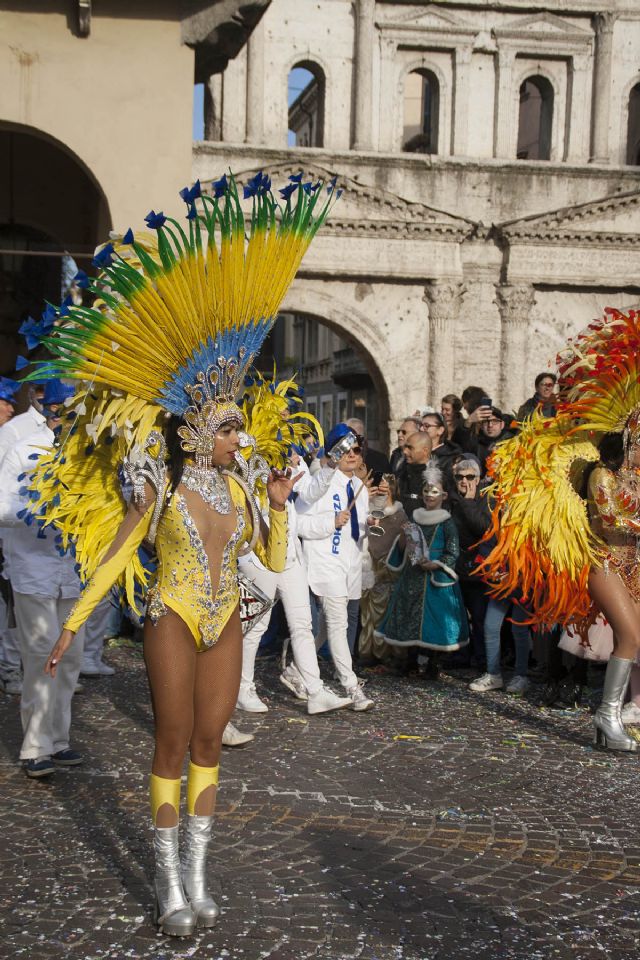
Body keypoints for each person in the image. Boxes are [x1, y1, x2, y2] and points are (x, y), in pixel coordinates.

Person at [23, 174, 338, 934]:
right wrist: (74, 626)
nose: (241, 436)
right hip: (170, 615)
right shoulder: (157, 483)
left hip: (227, 616)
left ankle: (198, 874)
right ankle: (165, 882)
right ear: (199, 431)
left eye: (237, 427)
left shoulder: (239, 490)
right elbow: (115, 556)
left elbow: (270, 555)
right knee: (169, 739)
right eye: (232, 428)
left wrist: (272, 498)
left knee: (209, 742)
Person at [477, 308, 640, 751]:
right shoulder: (600, 475)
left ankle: (623, 712)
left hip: (633, 566)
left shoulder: (636, 478)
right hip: (603, 563)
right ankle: (607, 717)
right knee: (631, 637)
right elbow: (612, 519)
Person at [0, 379, 84, 778]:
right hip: (32, 569)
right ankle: (35, 747)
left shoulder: (88, 456)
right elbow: (2, 509)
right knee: (39, 657)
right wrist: (43, 511)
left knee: (69, 660)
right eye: (60, 410)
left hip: (74, 572)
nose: (64, 418)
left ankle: (59, 740)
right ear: (48, 410)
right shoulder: (22, 449)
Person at [237, 449, 351, 716]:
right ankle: (243, 689)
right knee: (256, 626)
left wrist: (330, 465)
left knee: (303, 625)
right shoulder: (246, 476)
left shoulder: (284, 474)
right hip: (259, 558)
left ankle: (315, 691)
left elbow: (309, 494)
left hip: (290, 558)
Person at [295, 423, 373, 711]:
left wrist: (369, 525)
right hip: (325, 563)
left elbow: (357, 529)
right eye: (345, 449)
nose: (352, 455)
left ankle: (295, 670)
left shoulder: (360, 488)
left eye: (356, 449)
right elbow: (300, 524)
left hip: (350, 565)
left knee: (329, 627)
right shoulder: (321, 484)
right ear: (333, 452)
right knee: (338, 625)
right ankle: (351, 686)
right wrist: (330, 522)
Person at [375, 465, 469, 670]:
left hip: (436, 578)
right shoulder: (414, 517)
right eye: (426, 491)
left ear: (443, 495)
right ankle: (408, 662)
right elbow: (405, 545)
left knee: (435, 618)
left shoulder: (447, 522)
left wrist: (437, 563)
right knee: (408, 613)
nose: (429, 495)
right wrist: (402, 541)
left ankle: (433, 664)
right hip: (413, 574)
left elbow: (452, 550)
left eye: (434, 491)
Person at [359, 474, 407, 665]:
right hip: (366, 567)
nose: (381, 490)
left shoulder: (398, 515)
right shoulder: (367, 512)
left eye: (385, 488)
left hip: (385, 570)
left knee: (381, 613)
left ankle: (382, 653)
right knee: (366, 614)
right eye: (378, 487)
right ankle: (366, 651)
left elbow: (399, 544)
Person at [449, 457, 491, 669]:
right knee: (457, 616)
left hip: (477, 568)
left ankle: (483, 660)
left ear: (479, 478)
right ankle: (460, 656)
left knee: (480, 617)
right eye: (460, 477)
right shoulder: (451, 498)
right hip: (455, 566)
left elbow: (483, 528)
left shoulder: (485, 499)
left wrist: (469, 501)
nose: (464, 481)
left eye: (470, 477)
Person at [421, 411, 461, 491]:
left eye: (426, 426)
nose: (421, 429)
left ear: (440, 430)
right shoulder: (415, 452)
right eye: (421, 425)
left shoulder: (451, 456)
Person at [397, 431, 431, 518]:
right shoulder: (402, 473)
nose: (405, 451)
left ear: (425, 451)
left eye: (410, 448)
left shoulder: (436, 478)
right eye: (405, 447)